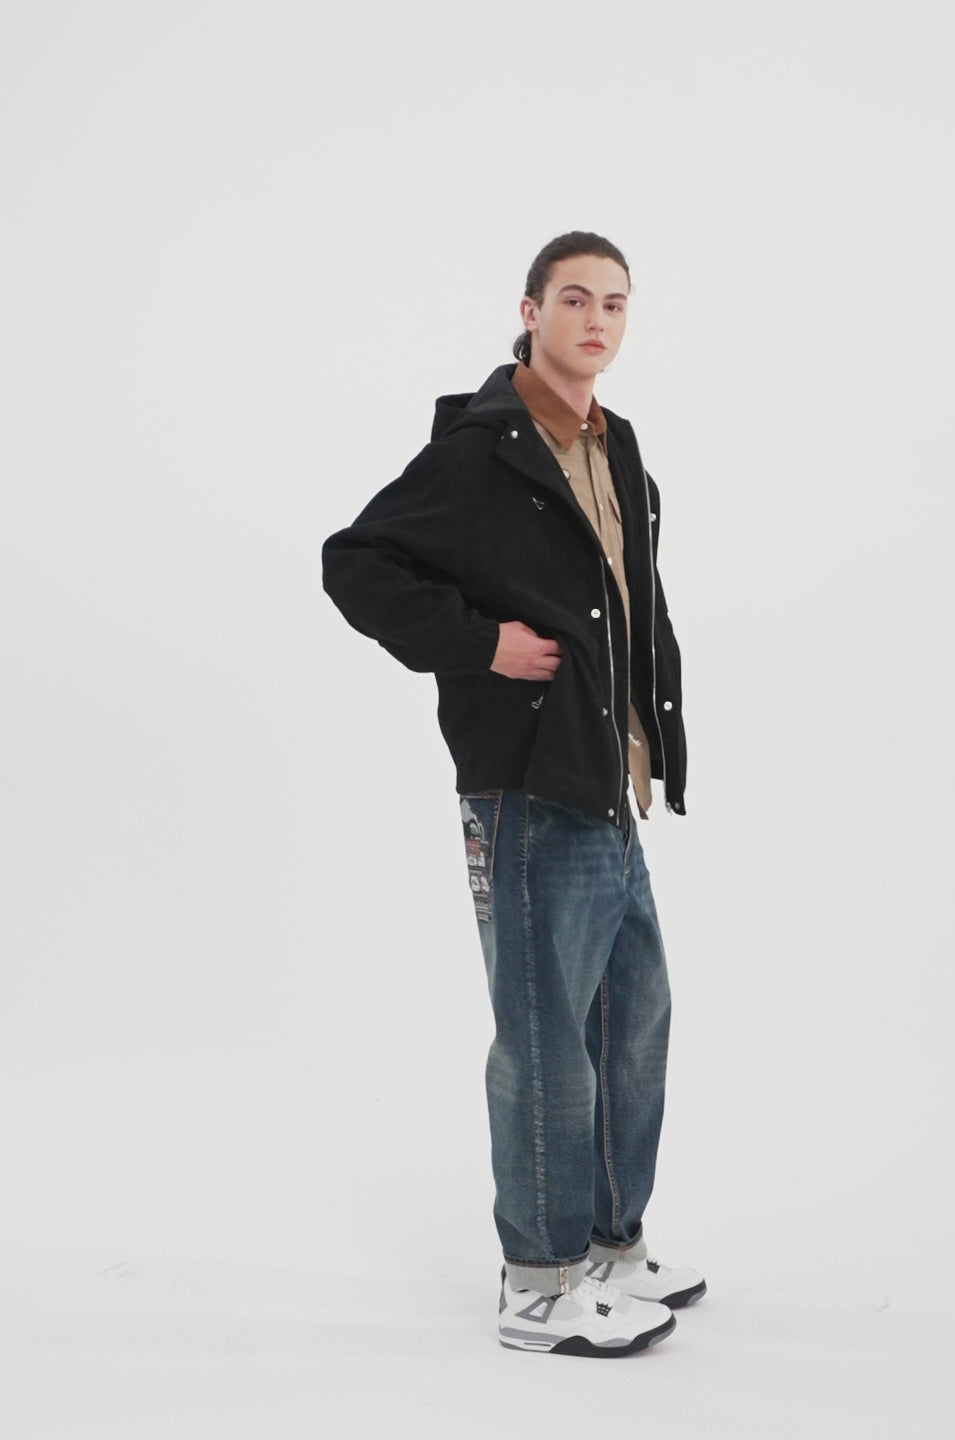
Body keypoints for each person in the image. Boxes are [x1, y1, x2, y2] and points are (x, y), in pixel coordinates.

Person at [322, 231, 704, 1357]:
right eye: (575, 300)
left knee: (632, 1022)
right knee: (544, 1039)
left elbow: (630, 602)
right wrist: (481, 644)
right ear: (531, 312)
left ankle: (609, 1244)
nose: (597, 321)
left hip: (607, 781)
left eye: (615, 304)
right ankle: (540, 1283)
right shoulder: (481, 452)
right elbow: (356, 561)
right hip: (528, 787)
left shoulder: (616, 446)